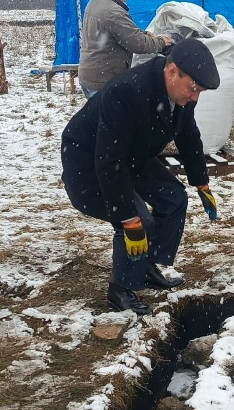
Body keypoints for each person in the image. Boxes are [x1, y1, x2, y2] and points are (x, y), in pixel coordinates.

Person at [61, 38, 221, 315]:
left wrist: (200, 182)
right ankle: (121, 289)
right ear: (172, 71)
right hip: (89, 164)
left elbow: (187, 134)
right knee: (136, 222)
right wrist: (129, 218)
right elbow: (109, 162)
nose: (195, 97)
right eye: (194, 89)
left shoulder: (180, 93)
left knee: (173, 198)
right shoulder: (126, 91)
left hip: (131, 155)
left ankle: (147, 265)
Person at [78, 0, 174, 98]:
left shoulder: (95, 2)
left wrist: (142, 33)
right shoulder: (113, 11)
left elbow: (116, 31)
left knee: (99, 116)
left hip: (91, 74)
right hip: (103, 80)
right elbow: (137, 44)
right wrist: (161, 42)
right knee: (111, 117)